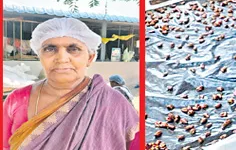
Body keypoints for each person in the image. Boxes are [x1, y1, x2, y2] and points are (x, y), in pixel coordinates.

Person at [2, 18, 139, 150]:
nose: (61, 58)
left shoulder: (114, 103)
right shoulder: (17, 100)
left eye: (74, 49)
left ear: (90, 58)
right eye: (50, 48)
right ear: (40, 56)